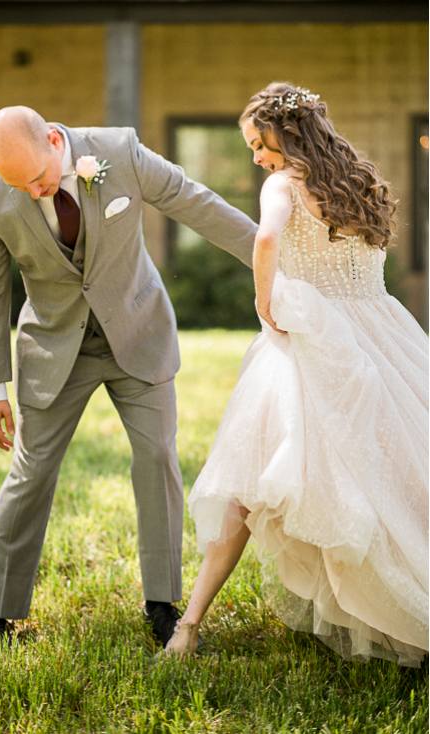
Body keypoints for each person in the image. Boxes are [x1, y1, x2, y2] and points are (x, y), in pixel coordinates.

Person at [0, 106, 258, 647]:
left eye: (38, 179)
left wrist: (269, 255)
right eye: (17, 185)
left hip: (138, 334)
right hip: (55, 349)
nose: (32, 193)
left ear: (56, 141)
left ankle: (162, 604)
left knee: (157, 457)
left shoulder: (118, 152)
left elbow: (194, 202)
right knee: (29, 473)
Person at [163, 83, 429, 667]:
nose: (257, 157)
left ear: (286, 135)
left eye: (259, 144)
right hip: (383, 332)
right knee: (397, 468)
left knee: (248, 482)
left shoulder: (284, 184)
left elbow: (265, 238)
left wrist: (265, 302)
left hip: (313, 338)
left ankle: (187, 626)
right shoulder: (359, 182)